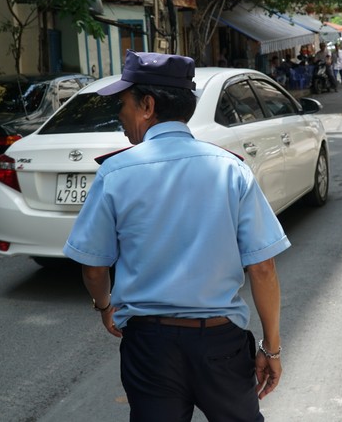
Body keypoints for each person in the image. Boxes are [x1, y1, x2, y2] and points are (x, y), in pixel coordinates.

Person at [64, 50, 288, 421]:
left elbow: (93, 268)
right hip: (221, 344)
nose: (120, 116)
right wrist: (273, 348)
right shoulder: (230, 168)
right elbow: (263, 268)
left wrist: (104, 307)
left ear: (147, 105)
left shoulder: (116, 172)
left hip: (150, 347)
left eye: (123, 104)